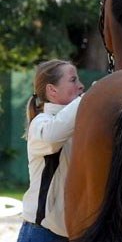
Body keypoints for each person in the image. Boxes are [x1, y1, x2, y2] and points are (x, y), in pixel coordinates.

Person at [17, 59, 85, 242]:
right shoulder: (41, 123)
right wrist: (90, 97)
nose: (81, 86)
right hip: (41, 234)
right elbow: (53, 136)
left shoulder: (79, 123)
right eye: (73, 80)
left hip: (74, 234)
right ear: (52, 90)